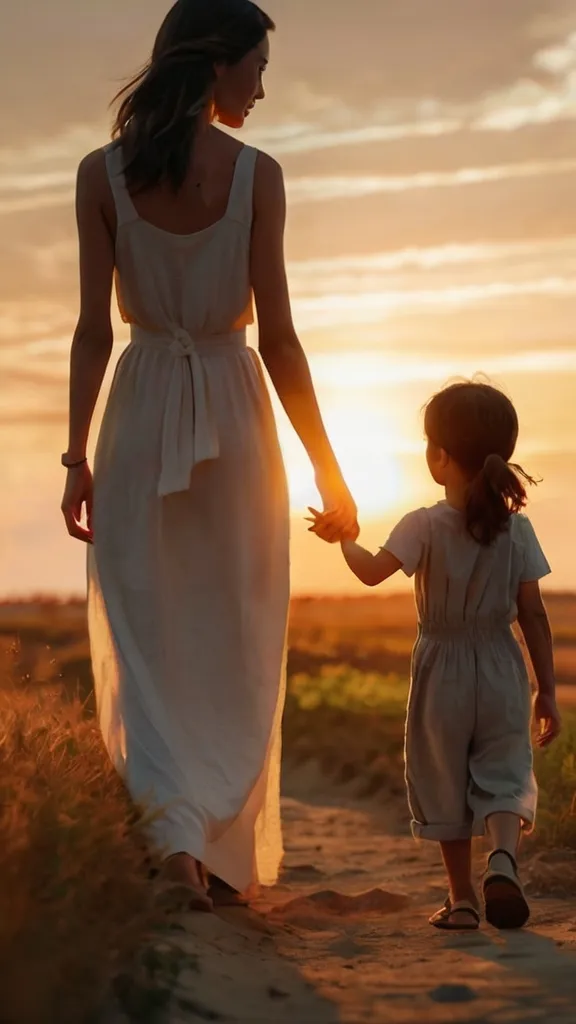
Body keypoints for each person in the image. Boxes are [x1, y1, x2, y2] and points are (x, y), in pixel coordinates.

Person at [61, 0, 357, 913]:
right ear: (216, 63)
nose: (261, 87)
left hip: (143, 406)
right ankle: (197, 843)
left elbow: (89, 333)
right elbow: (281, 340)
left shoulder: (100, 174)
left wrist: (77, 456)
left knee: (151, 634)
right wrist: (328, 468)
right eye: (256, 66)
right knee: (233, 631)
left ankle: (180, 841)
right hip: (233, 409)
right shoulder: (258, 175)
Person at [309, 380, 561, 930]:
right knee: (504, 771)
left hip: (440, 666)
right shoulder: (518, 529)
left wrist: (345, 538)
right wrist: (548, 689)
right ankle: (502, 859)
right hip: (501, 666)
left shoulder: (421, 523)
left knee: (441, 777)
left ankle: (463, 899)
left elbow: (372, 572)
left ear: (437, 456)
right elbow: (534, 615)